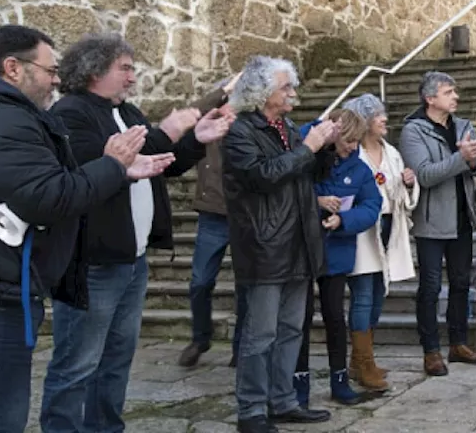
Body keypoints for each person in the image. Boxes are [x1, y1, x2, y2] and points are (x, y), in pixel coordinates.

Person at [42, 34, 232, 433]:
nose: (132, 77)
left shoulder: (127, 111)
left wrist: (197, 138)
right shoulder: (71, 113)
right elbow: (96, 170)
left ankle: (106, 428)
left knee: (115, 361)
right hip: (92, 263)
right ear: (94, 71)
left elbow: (162, 161)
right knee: (77, 364)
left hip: (132, 261)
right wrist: (166, 130)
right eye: (124, 68)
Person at [0, 25, 171, 433]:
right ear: (12, 68)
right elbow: (52, 194)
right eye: (48, 69)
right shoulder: (31, 118)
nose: (55, 79)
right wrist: (115, 167)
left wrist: (131, 166)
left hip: (123, 260)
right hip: (61, 272)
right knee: (68, 370)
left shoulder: (33, 117)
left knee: (113, 360)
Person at [223, 56, 339, 432]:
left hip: (298, 241)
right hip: (264, 244)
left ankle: (283, 400)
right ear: (261, 93)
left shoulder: (287, 126)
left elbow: (306, 176)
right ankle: (252, 410)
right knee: (261, 334)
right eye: (286, 87)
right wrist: (308, 148)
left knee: (292, 329)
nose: (294, 92)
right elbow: (264, 176)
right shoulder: (241, 131)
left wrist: (324, 149)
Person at [399, 71, 476, 376]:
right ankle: (431, 351)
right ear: (430, 98)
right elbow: (424, 174)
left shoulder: (463, 126)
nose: (456, 97)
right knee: (430, 287)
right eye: (449, 92)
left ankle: (459, 344)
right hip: (431, 221)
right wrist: (462, 158)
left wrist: (474, 160)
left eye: (455, 91)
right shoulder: (414, 131)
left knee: (461, 284)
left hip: (463, 217)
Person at [294, 109, 383, 404]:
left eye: (357, 141)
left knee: (335, 317)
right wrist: (317, 201)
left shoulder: (359, 169)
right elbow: (290, 187)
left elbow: (372, 205)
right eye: (348, 141)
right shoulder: (308, 155)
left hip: (337, 249)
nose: (353, 147)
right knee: (301, 318)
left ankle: (340, 381)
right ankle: (299, 384)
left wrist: (343, 220)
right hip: (302, 248)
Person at [343, 94, 418, 390]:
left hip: (388, 226)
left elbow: (399, 193)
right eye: (378, 115)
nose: (384, 119)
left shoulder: (391, 152)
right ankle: (363, 362)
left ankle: (360, 359)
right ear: (364, 121)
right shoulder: (352, 153)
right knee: (362, 293)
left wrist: (409, 182)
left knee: (377, 292)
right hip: (362, 229)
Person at [180, 73, 250, 369]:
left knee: (245, 285)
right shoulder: (207, 126)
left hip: (244, 216)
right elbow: (191, 114)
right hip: (211, 215)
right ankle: (200, 337)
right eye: (226, 104)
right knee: (200, 282)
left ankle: (241, 345)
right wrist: (223, 91)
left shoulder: (249, 128)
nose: (229, 111)